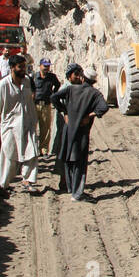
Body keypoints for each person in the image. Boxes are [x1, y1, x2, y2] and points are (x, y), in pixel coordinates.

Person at [52, 64, 109, 202]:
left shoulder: (70, 89)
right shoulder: (95, 94)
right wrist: (89, 116)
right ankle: (77, 194)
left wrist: (64, 111)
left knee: (69, 159)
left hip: (68, 130)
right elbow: (104, 107)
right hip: (82, 132)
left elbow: (53, 98)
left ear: (83, 78)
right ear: (94, 81)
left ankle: (71, 188)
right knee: (80, 163)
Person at [0, 54, 39, 192]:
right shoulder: (3, 85)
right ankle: (3, 184)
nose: (23, 69)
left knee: (32, 152)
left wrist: (33, 120)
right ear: (12, 68)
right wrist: (2, 124)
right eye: (20, 67)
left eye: (24, 66)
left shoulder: (26, 82)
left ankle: (28, 181)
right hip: (11, 125)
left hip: (28, 122)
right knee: (9, 154)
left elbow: (30, 101)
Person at [32, 59, 61, 157]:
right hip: (34, 105)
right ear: (40, 66)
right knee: (32, 128)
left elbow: (57, 85)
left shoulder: (52, 77)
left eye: (48, 66)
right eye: (44, 66)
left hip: (46, 105)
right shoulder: (34, 77)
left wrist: (53, 95)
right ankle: (33, 150)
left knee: (45, 128)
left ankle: (43, 150)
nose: (46, 68)